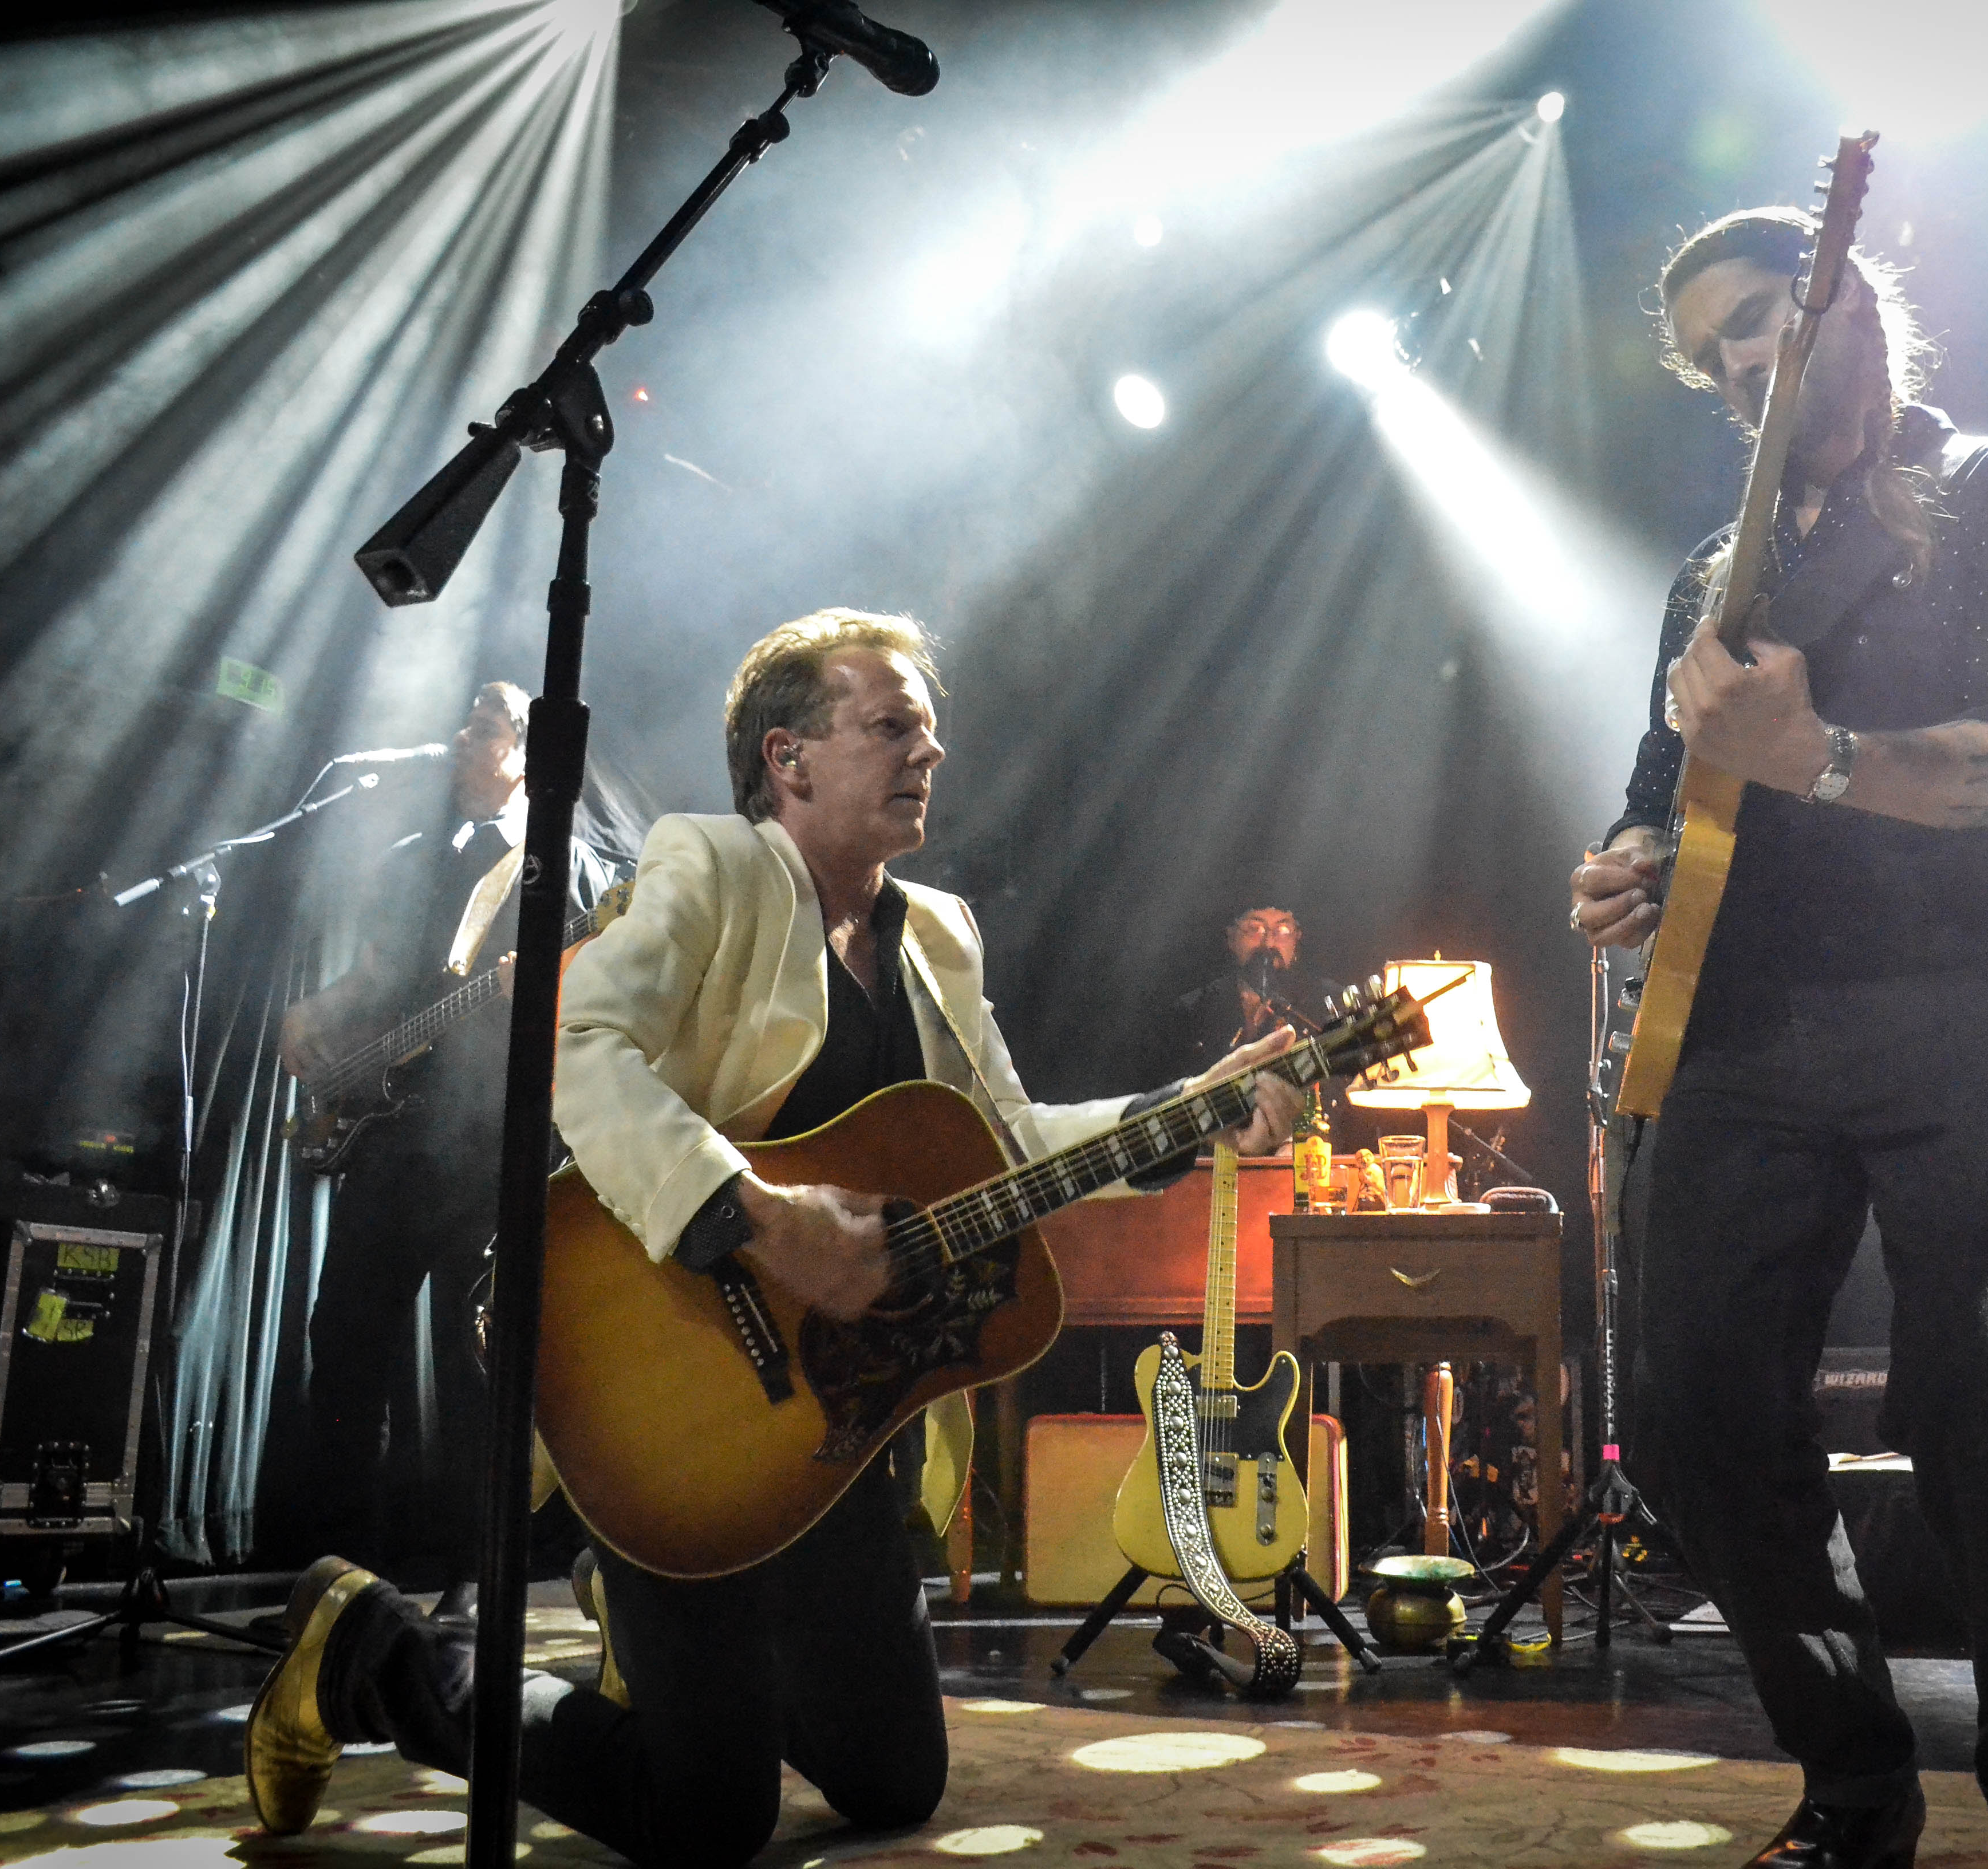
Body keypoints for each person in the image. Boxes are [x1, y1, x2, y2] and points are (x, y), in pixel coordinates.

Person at [246, 610, 1300, 1866]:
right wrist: (754, 1214)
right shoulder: (710, 867)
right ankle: (371, 1651)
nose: (931, 750)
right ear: (788, 756)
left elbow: (1005, 1139)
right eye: (894, 724)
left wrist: (1191, 1113)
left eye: (932, 728)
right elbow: (576, 1048)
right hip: (669, 1381)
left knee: (893, 1783)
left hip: (829, 1428)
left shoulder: (940, 936)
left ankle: (684, 1657)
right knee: (708, 1820)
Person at [1568, 208, 1988, 1869]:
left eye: (1771, 313)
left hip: (1969, 1007)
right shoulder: (1711, 575)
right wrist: (1625, 871)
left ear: (1849, 298)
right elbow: (1663, 794)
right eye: (1716, 342)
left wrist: (1813, 755)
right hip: (1744, 1029)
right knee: (1690, 1417)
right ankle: (1854, 1782)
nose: (1751, 353)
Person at [275, 680, 613, 1612]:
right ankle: (338, 1581)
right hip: (391, 1140)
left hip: (493, 1145)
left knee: (476, 1367)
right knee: (342, 1341)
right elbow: (383, 970)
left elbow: (606, 996)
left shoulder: (565, 863)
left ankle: (474, 1579)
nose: (464, 737)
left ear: (527, 752)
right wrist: (321, 1006)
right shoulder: (416, 854)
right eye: (463, 721)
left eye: (486, 724)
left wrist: (545, 985)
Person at [1172, 904, 1342, 1072]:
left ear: (1296, 939)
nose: (1268, 943)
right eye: (1255, 929)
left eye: (1282, 930)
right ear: (1232, 938)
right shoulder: (1192, 1010)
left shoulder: (1327, 999)